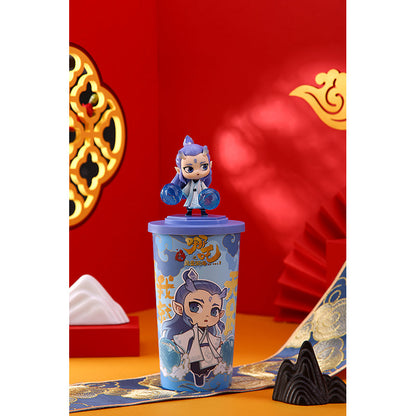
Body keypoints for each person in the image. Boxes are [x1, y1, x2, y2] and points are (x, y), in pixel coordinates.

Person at [161, 268, 227, 386]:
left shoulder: (207, 331)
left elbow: (212, 339)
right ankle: (198, 380)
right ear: (179, 308)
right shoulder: (192, 331)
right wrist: (176, 344)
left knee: (207, 367)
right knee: (196, 368)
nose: (206, 315)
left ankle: (202, 380)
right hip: (194, 356)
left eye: (214, 311)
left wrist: (218, 344)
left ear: (220, 314)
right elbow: (184, 338)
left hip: (207, 354)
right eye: (195, 307)